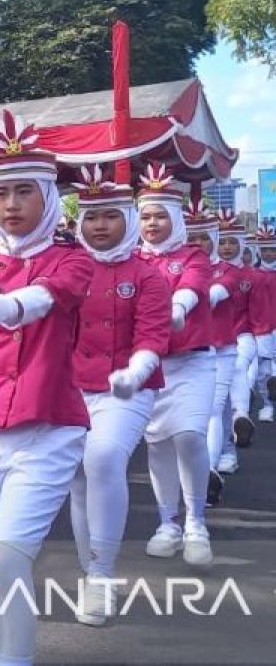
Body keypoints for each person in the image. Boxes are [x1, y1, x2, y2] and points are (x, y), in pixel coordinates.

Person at [0, 113, 93, 666]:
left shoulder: (72, 259)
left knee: (7, 558)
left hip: (47, 429)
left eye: (24, 191)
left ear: (49, 197)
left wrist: (10, 308)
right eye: (1, 192)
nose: (10, 204)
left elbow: (56, 295)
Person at [67, 166, 170, 626]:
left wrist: (136, 370)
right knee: (77, 476)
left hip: (127, 388)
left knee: (104, 457)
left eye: (110, 216)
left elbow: (153, 335)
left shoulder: (148, 275)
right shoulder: (66, 269)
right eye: (91, 217)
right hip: (70, 387)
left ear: (127, 218)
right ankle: (89, 569)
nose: (100, 226)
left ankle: (104, 574)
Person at [133, 162, 216, 567]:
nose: (151, 223)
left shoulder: (193, 255)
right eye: (145, 215)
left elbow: (193, 288)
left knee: (189, 437)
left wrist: (177, 310)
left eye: (159, 215)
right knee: (158, 445)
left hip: (193, 364)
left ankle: (196, 521)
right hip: (150, 368)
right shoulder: (130, 260)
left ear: (176, 218)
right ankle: (168, 523)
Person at [206, 210, 256, 502]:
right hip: (193, 348)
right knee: (217, 409)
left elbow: (214, 294)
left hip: (232, 341)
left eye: (230, 242)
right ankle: (231, 442)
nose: (225, 247)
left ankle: (212, 469)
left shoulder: (233, 273)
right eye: (221, 241)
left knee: (215, 408)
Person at [252, 226, 276, 423]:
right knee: (265, 373)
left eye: (272, 249)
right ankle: (267, 406)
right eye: (265, 249)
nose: (269, 253)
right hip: (262, 329)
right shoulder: (251, 275)